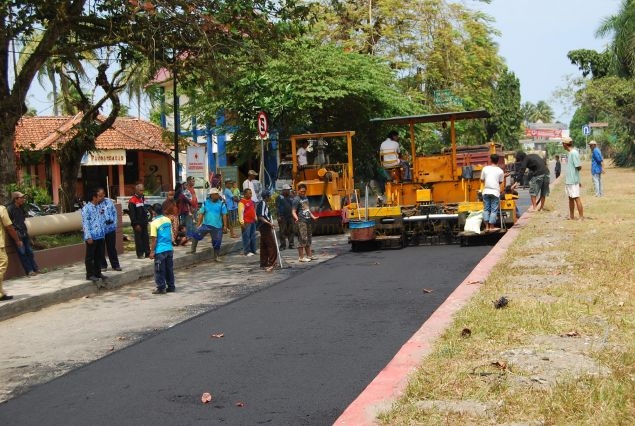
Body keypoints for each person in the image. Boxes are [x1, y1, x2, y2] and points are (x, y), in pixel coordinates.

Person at [6, 191, 39, 277]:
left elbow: (22, 221)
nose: (23, 199)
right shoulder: (9, 209)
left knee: (30, 252)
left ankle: (35, 269)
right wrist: (16, 239)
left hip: (24, 232)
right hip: (17, 234)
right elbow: (9, 225)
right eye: (21, 198)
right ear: (16, 199)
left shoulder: (21, 208)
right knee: (22, 253)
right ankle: (29, 271)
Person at [193, 188, 229, 262]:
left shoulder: (221, 204)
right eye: (216, 194)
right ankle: (192, 249)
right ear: (212, 195)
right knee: (196, 234)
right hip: (206, 224)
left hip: (217, 226)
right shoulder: (205, 203)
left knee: (217, 242)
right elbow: (201, 214)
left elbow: (224, 215)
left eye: (217, 194)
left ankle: (216, 256)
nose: (217, 195)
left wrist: (225, 226)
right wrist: (198, 225)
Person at [149, 203, 175, 294]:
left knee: (159, 270)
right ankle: (171, 286)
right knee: (169, 269)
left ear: (153, 212)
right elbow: (171, 234)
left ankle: (161, 288)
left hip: (160, 250)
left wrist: (152, 251)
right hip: (169, 248)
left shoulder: (154, 223)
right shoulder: (167, 220)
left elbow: (154, 239)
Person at [82, 189, 107, 283]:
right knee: (90, 256)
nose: (101, 198)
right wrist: (88, 236)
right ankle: (90, 274)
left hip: (100, 235)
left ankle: (98, 272)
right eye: (99, 196)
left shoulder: (99, 207)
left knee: (99, 255)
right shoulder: (86, 208)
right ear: (94, 197)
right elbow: (85, 223)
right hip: (92, 236)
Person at [1, 204, 23, 301]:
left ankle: (1, 293)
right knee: (2, 265)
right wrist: (17, 240)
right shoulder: (1, 209)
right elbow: (9, 227)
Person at [292, 183, 318, 262]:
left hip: (308, 220)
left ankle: (309, 255)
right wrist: (296, 218)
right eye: (301, 191)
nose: (303, 193)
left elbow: (307, 209)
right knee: (302, 238)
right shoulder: (296, 199)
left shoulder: (305, 198)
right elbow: (293, 211)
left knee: (308, 238)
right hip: (301, 221)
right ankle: (301, 257)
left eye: (304, 191)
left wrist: (313, 217)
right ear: (298, 190)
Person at [480, 154, 505, 232]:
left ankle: (487, 227)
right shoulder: (500, 171)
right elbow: (500, 182)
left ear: (490, 160)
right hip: (495, 192)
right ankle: (492, 227)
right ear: (498, 161)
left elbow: (482, 179)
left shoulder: (485, 168)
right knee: (493, 210)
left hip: (486, 191)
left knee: (486, 209)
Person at [98, 188, 121, 272]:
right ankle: (103, 265)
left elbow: (114, 213)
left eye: (101, 196)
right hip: (100, 229)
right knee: (101, 248)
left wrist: (115, 223)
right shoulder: (95, 203)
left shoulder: (109, 202)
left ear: (104, 194)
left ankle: (115, 265)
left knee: (111, 247)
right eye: (98, 196)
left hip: (110, 228)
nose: (100, 198)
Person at [562, 137, 584, 220]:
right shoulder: (570, 153)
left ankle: (581, 217)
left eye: (562, 144)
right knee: (570, 198)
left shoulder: (574, 153)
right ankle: (571, 216)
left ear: (565, 144)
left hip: (573, 180)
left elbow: (578, 166)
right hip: (569, 180)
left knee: (576, 198)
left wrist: (577, 179)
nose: (562, 145)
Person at [128, 183, 150, 259]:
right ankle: (140, 254)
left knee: (146, 238)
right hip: (137, 224)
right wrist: (135, 224)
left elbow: (145, 210)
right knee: (139, 240)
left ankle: (147, 253)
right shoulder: (132, 201)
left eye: (143, 190)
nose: (142, 192)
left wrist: (147, 221)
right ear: (136, 190)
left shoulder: (142, 198)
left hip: (144, 222)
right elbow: (132, 215)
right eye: (140, 190)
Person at [257, 190, 278, 271]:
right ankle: (272, 262)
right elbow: (260, 217)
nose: (270, 197)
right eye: (269, 196)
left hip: (265, 226)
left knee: (264, 245)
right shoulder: (262, 203)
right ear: (266, 197)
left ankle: (264, 262)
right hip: (264, 226)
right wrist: (269, 223)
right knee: (271, 245)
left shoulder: (265, 204)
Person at [238, 188, 258, 256]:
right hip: (246, 222)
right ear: (245, 194)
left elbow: (253, 210)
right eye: (249, 193)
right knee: (246, 237)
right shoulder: (242, 202)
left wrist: (255, 217)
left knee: (253, 236)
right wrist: (242, 223)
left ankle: (253, 250)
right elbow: (241, 213)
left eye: (251, 193)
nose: (251, 194)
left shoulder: (251, 201)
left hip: (252, 221)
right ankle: (247, 251)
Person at [275, 184, 295, 250]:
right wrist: (278, 216)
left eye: (289, 190)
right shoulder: (279, 198)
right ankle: (283, 245)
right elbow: (277, 208)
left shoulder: (291, 197)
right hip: (282, 217)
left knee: (291, 231)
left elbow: (294, 206)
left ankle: (291, 244)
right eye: (287, 190)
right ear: (284, 190)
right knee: (282, 231)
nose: (289, 191)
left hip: (290, 216)